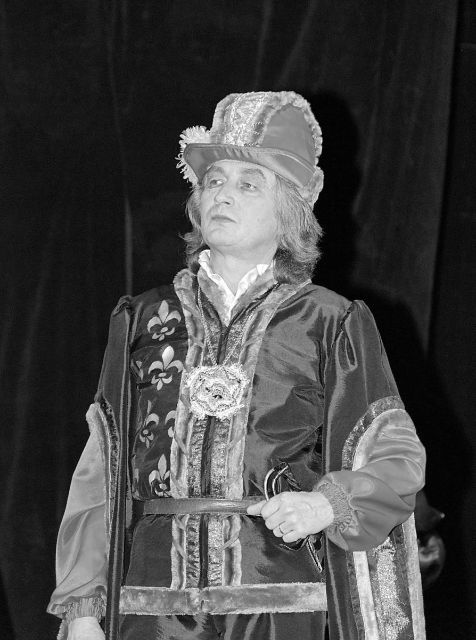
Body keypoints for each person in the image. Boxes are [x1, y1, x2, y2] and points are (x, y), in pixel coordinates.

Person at [47, 91, 426, 640]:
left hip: (277, 605)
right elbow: (100, 471)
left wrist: (326, 504)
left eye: (249, 184)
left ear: (289, 210)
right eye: (213, 181)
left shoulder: (329, 322)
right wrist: (83, 608)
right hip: (149, 608)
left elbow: (394, 453)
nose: (223, 194)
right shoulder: (142, 320)